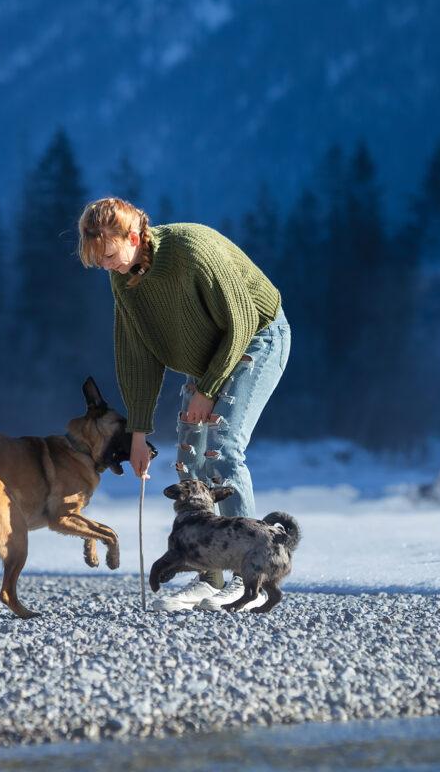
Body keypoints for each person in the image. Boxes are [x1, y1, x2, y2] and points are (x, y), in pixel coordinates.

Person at [77, 197, 291, 612]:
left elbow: (242, 320)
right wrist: (138, 433)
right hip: (210, 355)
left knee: (221, 449)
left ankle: (249, 578)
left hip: (257, 337)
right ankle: (207, 577)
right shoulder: (123, 277)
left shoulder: (192, 251)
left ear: (134, 236)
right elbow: (137, 355)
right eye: (96, 261)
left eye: (108, 255)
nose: (106, 266)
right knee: (189, 463)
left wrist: (208, 389)